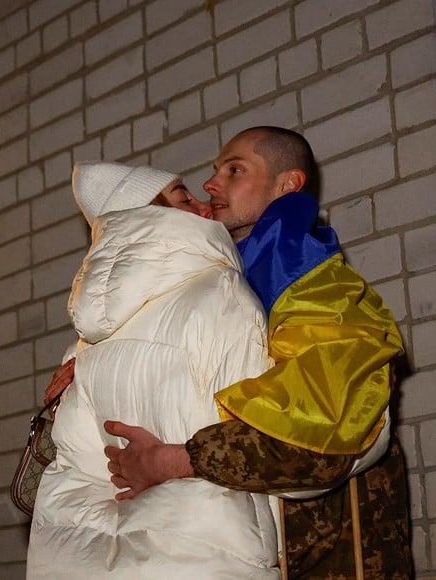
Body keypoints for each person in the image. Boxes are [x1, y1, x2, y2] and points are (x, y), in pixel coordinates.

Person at [81, 127, 411, 578]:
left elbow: (323, 433)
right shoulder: (215, 285)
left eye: (234, 170)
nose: (211, 184)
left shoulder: (319, 291)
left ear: (287, 186)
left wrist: (175, 460)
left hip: (326, 560)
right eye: (215, 171)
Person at [27, 162, 280, 578]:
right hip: (202, 555)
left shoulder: (83, 343)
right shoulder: (222, 297)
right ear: (150, 215)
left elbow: (73, 466)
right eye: (185, 199)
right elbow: (253, 444)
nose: (205, 207)